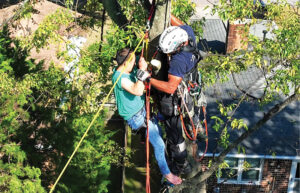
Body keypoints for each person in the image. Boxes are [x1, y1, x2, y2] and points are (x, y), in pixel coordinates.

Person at [112, 48, 182, 185]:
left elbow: (135, 60)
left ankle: (147, 137)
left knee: (159, 133)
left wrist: (140, 60)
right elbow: (137, 91)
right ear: (126, 63)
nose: (135, 63)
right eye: (133, 61)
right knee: (159, 145)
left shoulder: (123, 68)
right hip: (136, 117)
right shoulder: (120, 78)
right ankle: (167, 174)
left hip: (142, 112)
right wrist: (142, 71)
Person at [149, 25, 200, 175]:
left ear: (178, 47)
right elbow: (179, 22)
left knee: (175, 135)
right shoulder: (188, 34)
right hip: (188, 93)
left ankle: (181, 164)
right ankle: (193, 126)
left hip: (175, 100)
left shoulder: (178, 61)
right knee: (187, 117)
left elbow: (170, 88)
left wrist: (148, 79)